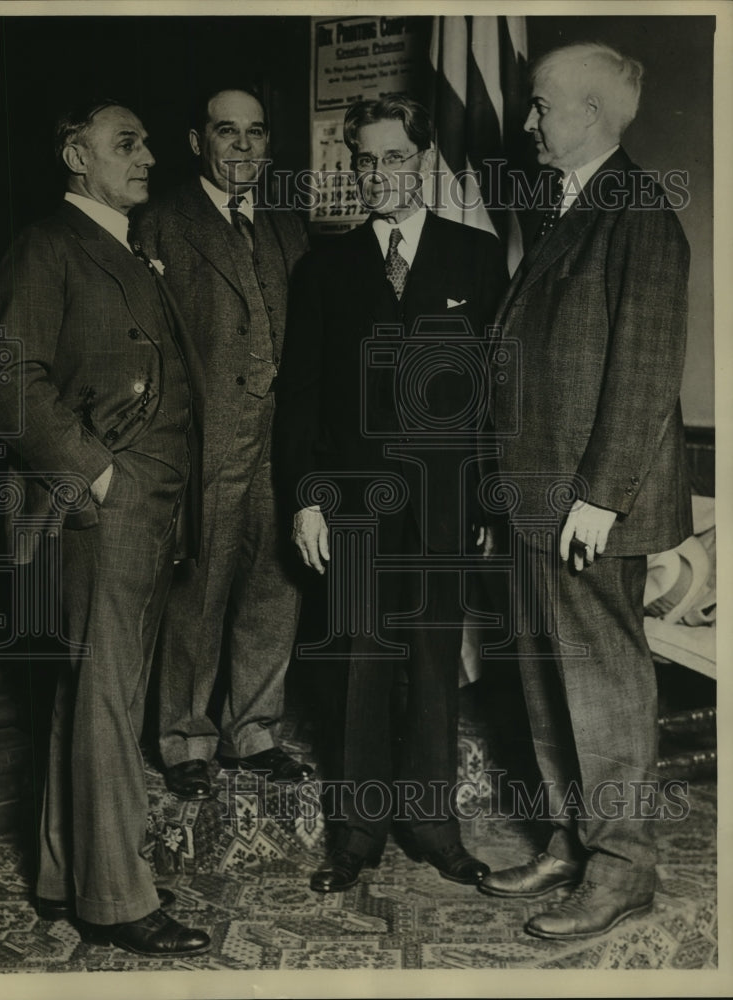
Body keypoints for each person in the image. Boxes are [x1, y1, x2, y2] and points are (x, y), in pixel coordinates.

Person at [479, 43, 693, 940]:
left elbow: (643, 373)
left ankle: (621, 872)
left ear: (592, 114)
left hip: (587, 508)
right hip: (537, 499)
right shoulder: (570, 207)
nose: (527, 122)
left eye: (539, 107)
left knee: (603, 690)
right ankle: (570, 841)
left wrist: (599, 499)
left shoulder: (638, 212)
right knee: (542, 684)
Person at [0, 99, 210, 956]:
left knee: (96, 697)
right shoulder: (47, 246)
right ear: (77, 155)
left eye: (147, 142)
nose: (148, 154)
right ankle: (116, 899)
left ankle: (62, 871)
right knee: (107, 703)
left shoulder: (126, 245)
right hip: (97, 512)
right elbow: (9, 381)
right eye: (128, 143)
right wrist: (99, 474)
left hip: (147, 510)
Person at [275, 95, 509, 892]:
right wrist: (305, 498)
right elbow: (299, 397)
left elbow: (490, 397)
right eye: (365, 160)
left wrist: (482, 503)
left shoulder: (476, 258)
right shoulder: (323, 268)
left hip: (445, 505)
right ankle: (357, 833)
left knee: (436, 662)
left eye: (395, 158)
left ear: (424, 161)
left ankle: (431, 824)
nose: (378, 175)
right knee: (359, 667)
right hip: (351, 506)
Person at [134, 87, 312, 799]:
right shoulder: (160, 222)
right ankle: (184, 738)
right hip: (204, 438)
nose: (244, 148)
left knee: (276, 582)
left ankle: (255, 730)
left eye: (256, 134)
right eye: (227, 133)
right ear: (196, 142)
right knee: (197, 587)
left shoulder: (286, 224)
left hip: (280, 438)